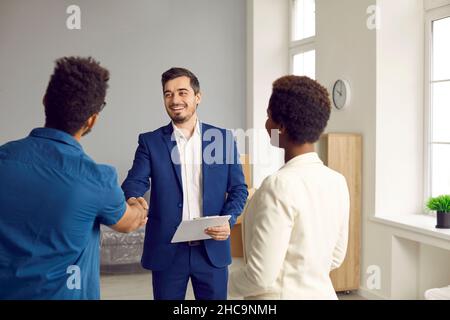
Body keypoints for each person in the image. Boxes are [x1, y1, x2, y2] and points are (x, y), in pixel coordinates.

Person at [0, 57, 148, 300]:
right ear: (92, 120)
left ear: (45, 100)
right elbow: (129, 222)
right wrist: (136, 205)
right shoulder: (98, 178)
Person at [121, 67, 248, 300]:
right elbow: (134, 181)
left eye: (182, 92)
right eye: (168, 94)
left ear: (197, 97)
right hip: (168, 250)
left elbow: (239, 189)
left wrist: (229, 220)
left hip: (212, 249)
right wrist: (133, 199)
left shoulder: (222, 139)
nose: (175, 100)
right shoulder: (150, 142)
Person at [228, 75, 350, 300]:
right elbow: (336, 257)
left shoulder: (279, 185)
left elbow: (259, 277)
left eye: (268, 116)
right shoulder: (338, 181)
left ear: (281, 126)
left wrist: (224, 282)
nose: (266, 124)